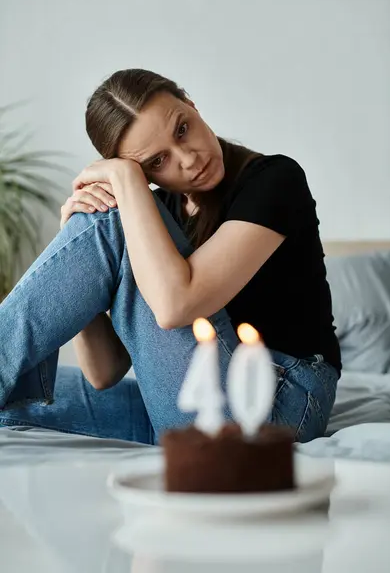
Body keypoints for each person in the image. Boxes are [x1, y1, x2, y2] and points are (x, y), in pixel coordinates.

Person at [0, 69, 340, 445]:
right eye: (157, 162)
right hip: (179, 399)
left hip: (274, 403)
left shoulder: (276, 180)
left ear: (191, 105)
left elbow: (176, 305)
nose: (189, 159)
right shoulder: (157, 212)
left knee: (111, 221)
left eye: (182, 129)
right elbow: (104, 372)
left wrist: (124, 177)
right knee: (14, 401)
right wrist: (78, 254)